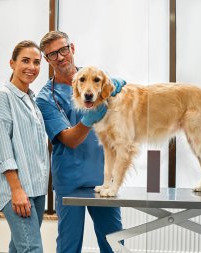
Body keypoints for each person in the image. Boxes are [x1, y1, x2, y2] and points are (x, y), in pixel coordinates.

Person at [36, 31, 124, 253]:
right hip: (70, 180)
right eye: (52, 54)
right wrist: (90, 118)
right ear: (47, 60)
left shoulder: (95, 77)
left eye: (63, 50)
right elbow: (69, 140)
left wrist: (122, 87)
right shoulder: (46, 98)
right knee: (69, 246)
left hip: (102, 177)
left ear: (72, 48)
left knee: (115, 243)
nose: (61, 57)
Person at [0, 40, 49, 253]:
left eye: (37, 62)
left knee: (20, 246)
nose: (32, 67)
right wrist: (17, 190)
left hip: (36, 188)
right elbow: (1, 149)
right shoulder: (2, 99)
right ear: (12, 63)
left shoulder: (31, 99)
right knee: (31, 248)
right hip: (18, 190)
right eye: (25, 61)